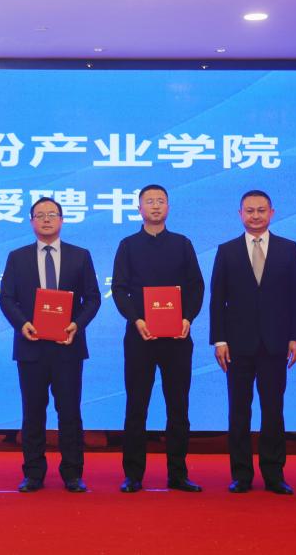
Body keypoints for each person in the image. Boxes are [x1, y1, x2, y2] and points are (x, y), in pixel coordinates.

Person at [0, 197, 101, 493]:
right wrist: (22, 324)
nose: (46, 219)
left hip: (68, 345)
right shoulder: (17, 257)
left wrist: (76, 325)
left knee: (69, 412)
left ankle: (72, 473)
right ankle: (33, 473)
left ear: (62, 220)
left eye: (52, 214)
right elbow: (6, 298)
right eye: (40, 215)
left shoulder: (80, 256)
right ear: (31, 221)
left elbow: (93, 298)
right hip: (31, 346)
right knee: (33, 412)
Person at [209, 190, 296, 495]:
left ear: (272, 213)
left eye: (261, 210)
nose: (255, 216)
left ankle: (274, 474)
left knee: (273, 410)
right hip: (237, 345)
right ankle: (241, 475)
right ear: (240, 214)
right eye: (249, 210)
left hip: (276, 343)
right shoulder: (227, 251)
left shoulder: (289, 249)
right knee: (239, 411)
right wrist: (219, 340)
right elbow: (217, 300)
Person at [111, 184, 205, 493]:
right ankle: (133, 475)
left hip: (177, 338)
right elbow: (119, 288)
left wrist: (187, 318)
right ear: (139, 208)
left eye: (160, 201)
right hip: (140, 337)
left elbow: (196, 286)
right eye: (149, 201)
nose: (155, 206)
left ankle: (178, 474)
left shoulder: (182, 244)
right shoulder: (128, 245)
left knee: (178, 407)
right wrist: (136, 319)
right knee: (136, 406)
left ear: (168, 207)